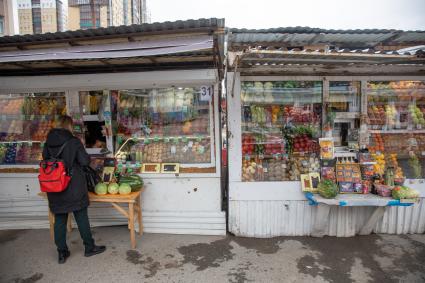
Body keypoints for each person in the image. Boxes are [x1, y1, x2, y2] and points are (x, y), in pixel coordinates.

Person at [43, 115, 106, 264]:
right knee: (81, 217)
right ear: (69, 126)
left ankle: (62, 252)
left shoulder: (47, 143)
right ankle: (89, 248)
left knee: (59, 219)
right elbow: (84, 161)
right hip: (73, 185)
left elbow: (46, 161)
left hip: (54, 185)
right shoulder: (73, 142)